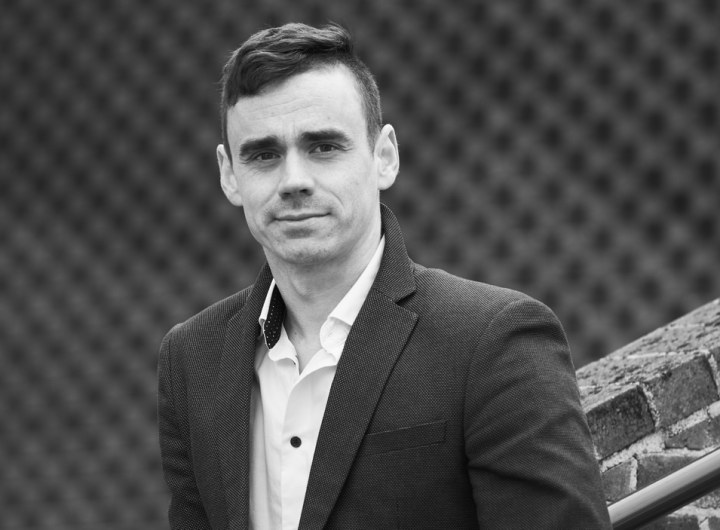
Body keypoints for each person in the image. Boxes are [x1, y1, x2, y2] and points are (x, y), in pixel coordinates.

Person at [158, 22, 611, 529]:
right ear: (228, 174)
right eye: (264, 155)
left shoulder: (493, 341)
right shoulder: (191, 359)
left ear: (385, 157)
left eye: (323, 147)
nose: (294, 181)